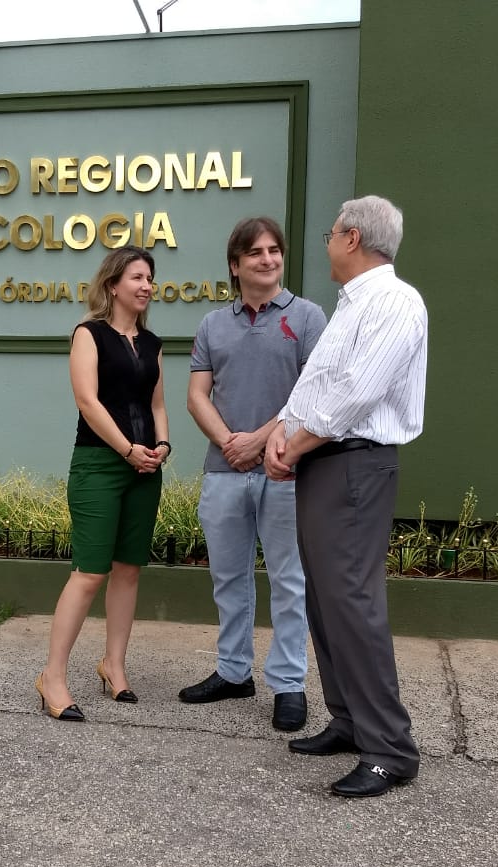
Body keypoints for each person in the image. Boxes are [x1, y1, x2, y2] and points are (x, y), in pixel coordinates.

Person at [264, 195, 427, 798]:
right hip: (327, 460)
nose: (328, 242)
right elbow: (316, 385)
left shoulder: (394, 301)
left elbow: (357, 392)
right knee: (326, 599)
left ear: (352, 238)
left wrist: (294, 444)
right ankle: (350, 720)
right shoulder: (354, 303)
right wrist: (282, 432)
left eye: (331, 233)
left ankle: (390, 749)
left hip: (355, 463)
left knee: (352, 602)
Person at [178, 216, 327, 731]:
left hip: (285, 471)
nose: (268, 259)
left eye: (274, 250)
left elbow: (312, 395)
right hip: (223, 471)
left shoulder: (308, 317)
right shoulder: (212, 325)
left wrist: (258, 441)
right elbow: (197, 396)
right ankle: (233, 671)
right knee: (228, 578)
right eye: (256, 252)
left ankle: (288, 684)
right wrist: (230, 442)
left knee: (289, 580)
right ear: (235, 265)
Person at [35, 245, 171, 721]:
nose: (146, 285)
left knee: (128, 569)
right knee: (91, 572)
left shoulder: (152, 343)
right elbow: (87, 402)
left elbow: (157, 405)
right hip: (99, 464)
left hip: (145, 468)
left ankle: (114, 665)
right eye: (137, 277)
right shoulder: (88, 335)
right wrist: (127, 449)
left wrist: (162, 445)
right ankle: (52, 676)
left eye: (149, 278)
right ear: (113, 285)